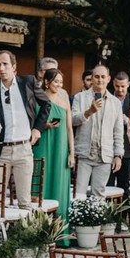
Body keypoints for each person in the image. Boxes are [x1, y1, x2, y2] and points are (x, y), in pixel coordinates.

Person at [0, 50, 51, 209]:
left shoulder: (28, 82)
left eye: (5, 64)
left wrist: (37, 129)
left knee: (25, 202)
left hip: (24, 149)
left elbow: (46, 104)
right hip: (1, 150)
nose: (2, 68)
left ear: (14, 67)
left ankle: (23, 234)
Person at [71, 63, 123, 198]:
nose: (100, 80)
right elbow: (72, 120)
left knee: (98, 195)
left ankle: (97, 220)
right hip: (84, 154)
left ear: (108, 79)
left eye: (103, 77)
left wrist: (118, 155)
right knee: (79, 194)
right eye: (97, 77)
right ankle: (78, 219)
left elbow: (118, 131)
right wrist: (89, 112)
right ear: (92, 79)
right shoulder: (80, 97)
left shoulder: (115, 102)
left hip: (104, 155)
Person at [35, 67, 74, 228]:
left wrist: (72, 153)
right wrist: (45, 126)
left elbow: (69, 128)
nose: (59, 85)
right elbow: (32, 125)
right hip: (42, 145)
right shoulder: (38, 100)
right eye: (56, 81)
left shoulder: (65, 101)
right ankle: (39, 227)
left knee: (59, 183)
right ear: (46, 82)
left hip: (61, 147)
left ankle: (59, 231)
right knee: (40, 182)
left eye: (61, 82)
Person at [109, 70, 130, 191]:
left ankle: (125, 210)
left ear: (128, 84)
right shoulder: (107, 98)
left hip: (127, 149)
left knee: (124, 184)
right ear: (113, 83)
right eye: (117, 86)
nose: (120, 89)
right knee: (108, 184)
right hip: (108, 147)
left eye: (123, 86)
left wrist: (127, 120)